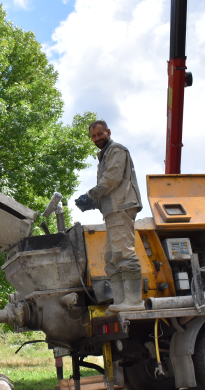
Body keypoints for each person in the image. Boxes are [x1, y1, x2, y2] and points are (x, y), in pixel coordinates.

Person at [75, 120, 143, 313]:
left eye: (100, 134)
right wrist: (93, 203)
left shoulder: (116, 150)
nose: (97, 138)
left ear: (108, 132)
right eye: (93, 136)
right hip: (112, 210)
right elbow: (109, 188)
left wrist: (90, 195)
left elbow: (112, 179)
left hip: (121, 208)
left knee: (124, 253)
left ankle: (133, 301)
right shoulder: (104, 155)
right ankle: (121, 301)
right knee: (112, 257)